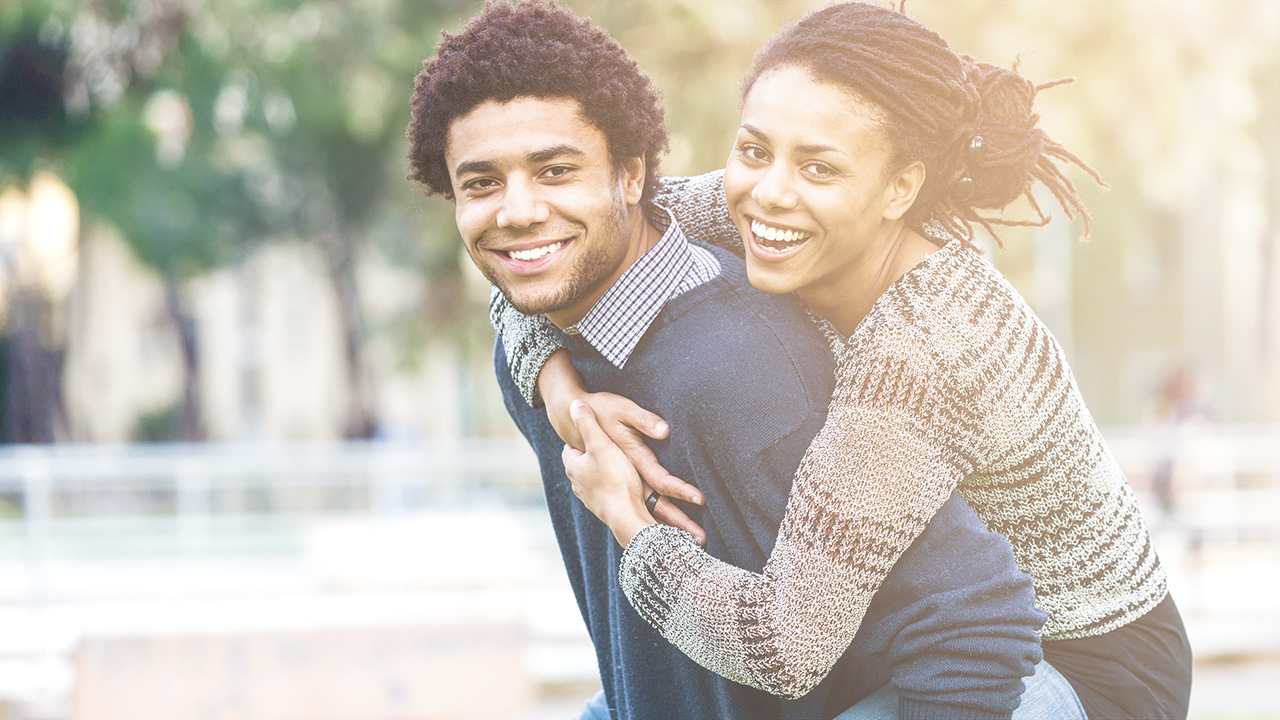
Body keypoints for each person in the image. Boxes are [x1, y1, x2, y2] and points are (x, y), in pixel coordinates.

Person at [494, 3, 1194, 719]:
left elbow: (783, 646)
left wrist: (630, 522)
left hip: (1074, 665)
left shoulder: (922, 351)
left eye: (819, 166)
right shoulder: (751, 208)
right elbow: (559, 250)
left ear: (901, 188)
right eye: (754, 149)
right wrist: (559, 387)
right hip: (898, 637)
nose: (770, 192)